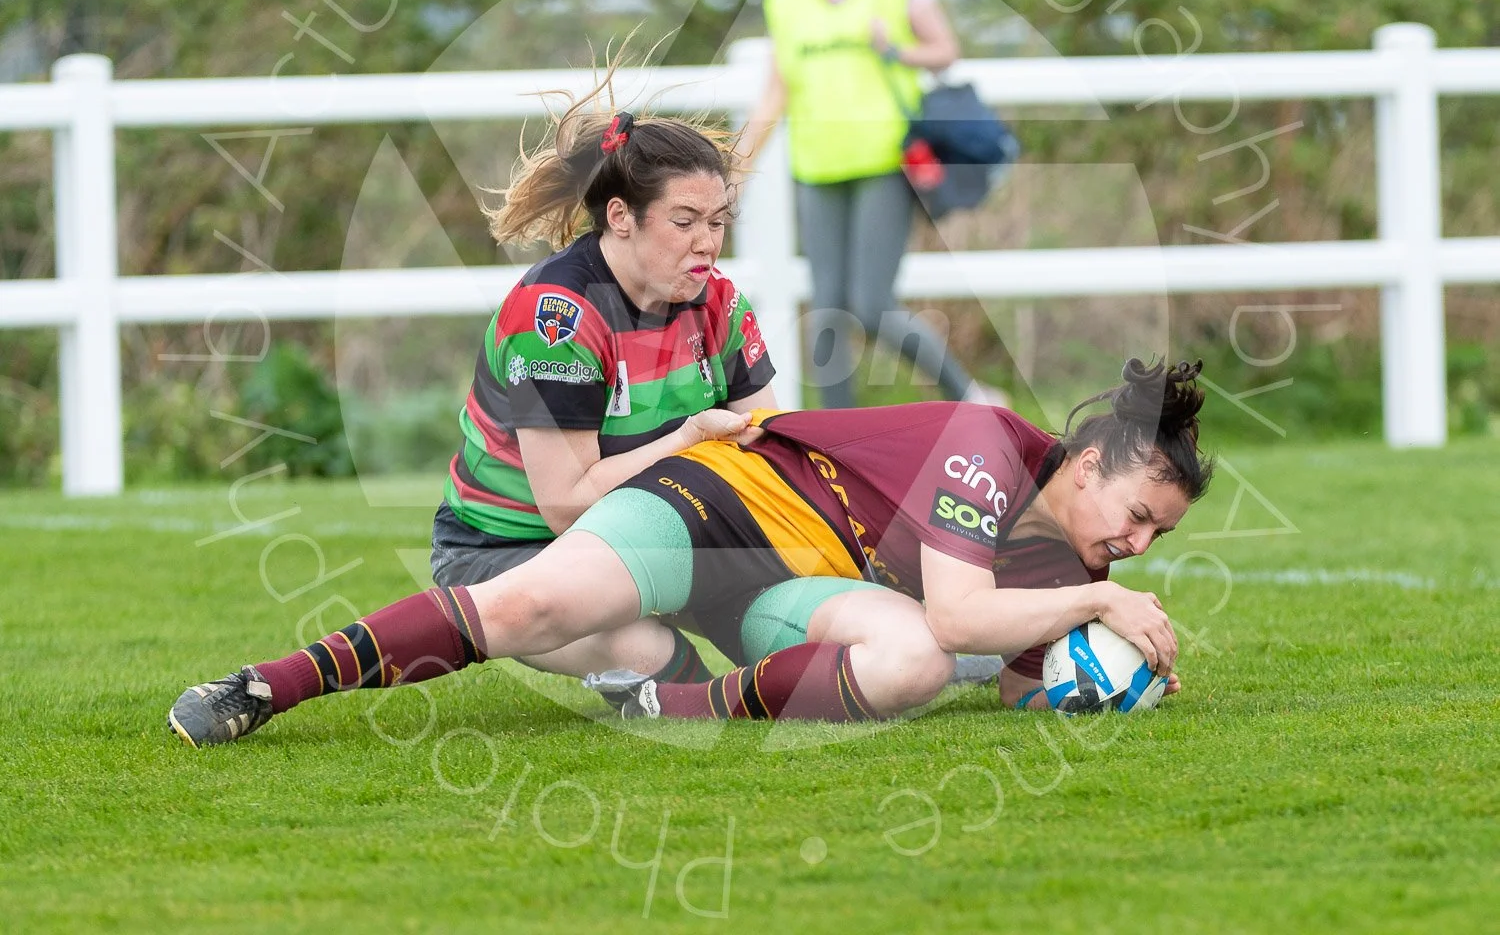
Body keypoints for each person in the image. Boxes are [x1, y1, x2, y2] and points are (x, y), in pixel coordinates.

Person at [168, 360, 1211, 744]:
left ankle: (666, 704)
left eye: (1156, 535)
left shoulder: (1078, 570)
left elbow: (1009, 677)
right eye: (1137, 513)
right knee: (526, 610)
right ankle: (265, 686)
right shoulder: (986, 445)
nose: (1135, 544)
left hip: (796, 590)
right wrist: (1101, 611)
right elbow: (960, 612)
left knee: (912, 666)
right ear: (1088, 462)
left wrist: (1101, 680)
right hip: (721, 507)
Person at [424, 75, 777, 685]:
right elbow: (566, 506)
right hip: (511, 550)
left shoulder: (719, 301)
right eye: (685, 221)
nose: (707, 244)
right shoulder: (556, 318)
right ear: (620, 217)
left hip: (651, 526)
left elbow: (768, 442)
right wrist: (689, 439)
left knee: (812, 623)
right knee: (657, 660)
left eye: (718, 222)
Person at [741, 0, 1001, 410]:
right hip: (817, 168)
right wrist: (736, 166)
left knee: (871, 305)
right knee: (827, 311)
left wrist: (895, 50)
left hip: (884, 163)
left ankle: (971, 396)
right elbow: (775, 93)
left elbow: (945, 50)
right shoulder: (785, 1)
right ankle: (833, 439)